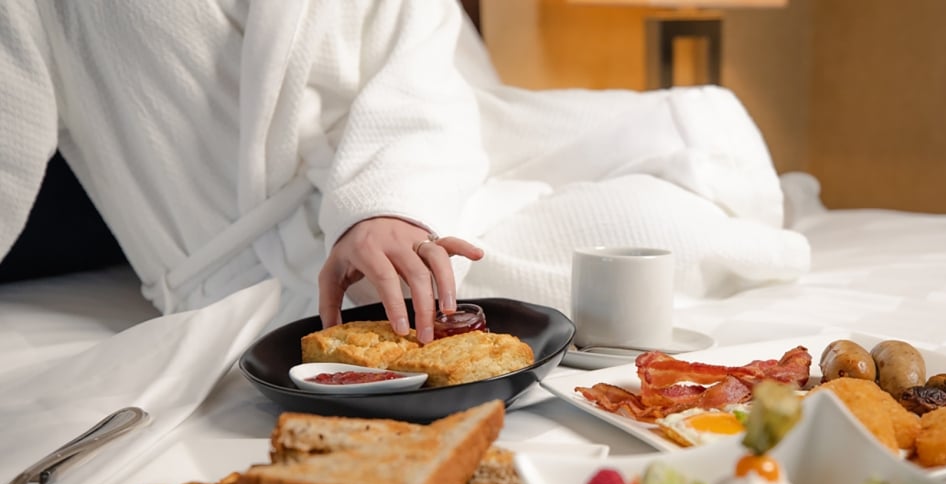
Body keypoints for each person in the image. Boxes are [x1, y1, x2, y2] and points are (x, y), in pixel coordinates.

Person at [1, 0, 811, 341]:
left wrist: (383, 210)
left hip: (402, 178)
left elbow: (416, 68)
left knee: (689, 127)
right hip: (257, 268)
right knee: (647, 234)